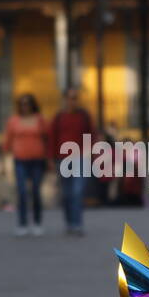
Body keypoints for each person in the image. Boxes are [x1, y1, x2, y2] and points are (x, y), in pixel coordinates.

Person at [51, 86, 95, 236]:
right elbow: (52, 139)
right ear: (65, 99)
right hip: (62, 159)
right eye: (70, 98)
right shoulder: (59, 118)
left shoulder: (84, 116)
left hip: (81, 158)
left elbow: (93, 135)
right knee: (66, 193)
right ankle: (69, 222)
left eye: (75, 98)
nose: (73, 101)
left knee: (77, 191)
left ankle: (77, 224)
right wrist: (50, 159)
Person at [3, 93, 48, 236]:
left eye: (27, 103)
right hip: (20, 160)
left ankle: (37, 222)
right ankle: (22, 223)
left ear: (32, 104)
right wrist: (3, 163)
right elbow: (7, 143)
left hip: (37, 160)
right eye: (22, 103)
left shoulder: (40, 120)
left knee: (35, 191)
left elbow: (47, 139)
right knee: (22, 192)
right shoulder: (14, 121)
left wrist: (50, 159)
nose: (25, 106)